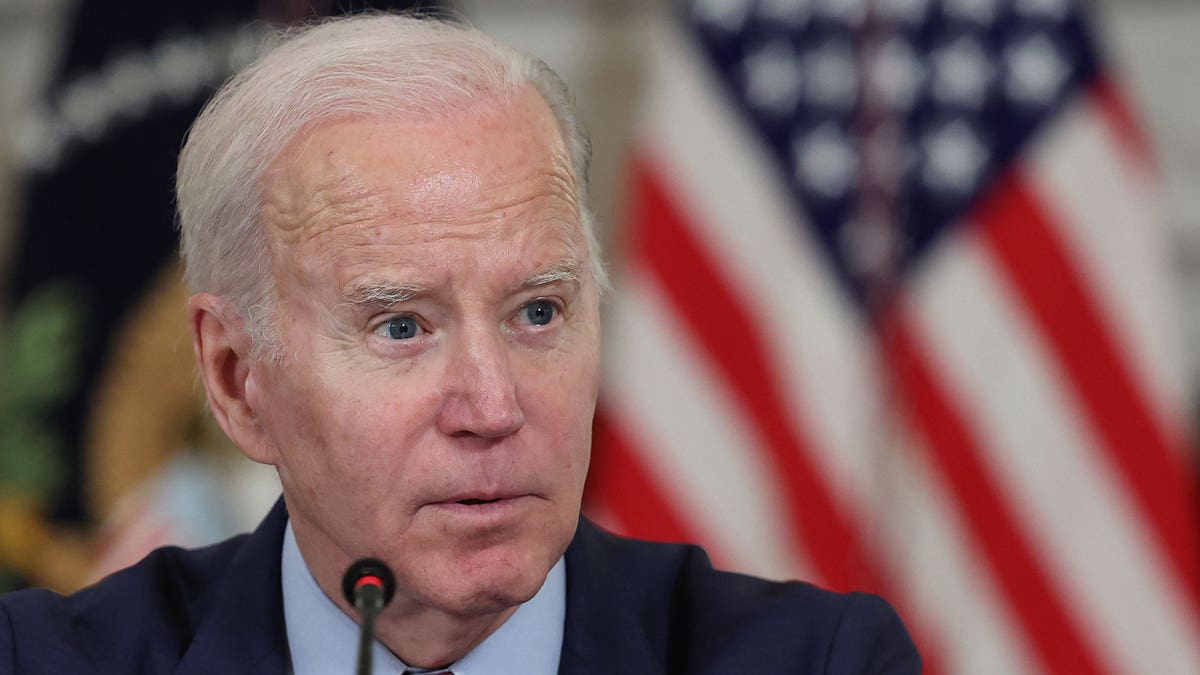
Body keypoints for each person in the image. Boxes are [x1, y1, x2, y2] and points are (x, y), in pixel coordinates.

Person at [0, 13, 920, 674]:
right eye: (401, 326)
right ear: (239, 381)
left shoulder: (815, 661)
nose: (494, 406)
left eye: (538, 313)